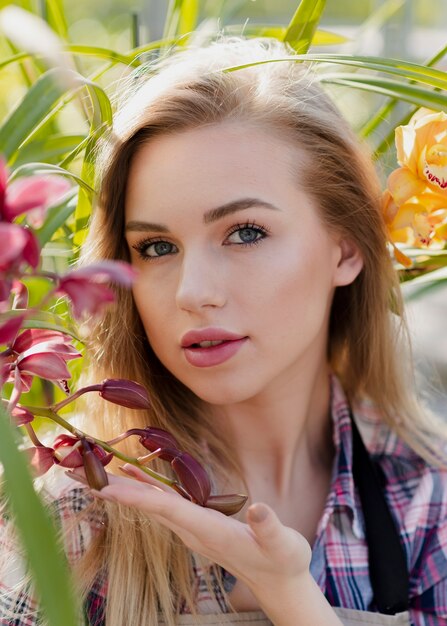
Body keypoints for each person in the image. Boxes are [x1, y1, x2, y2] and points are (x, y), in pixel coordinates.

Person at [1, 37, 447, 626]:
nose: (192, 291)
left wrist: (286, 592)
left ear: (346, 247)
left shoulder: (425, 495)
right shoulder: (77, 512)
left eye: (245, 233)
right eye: (156, 247)